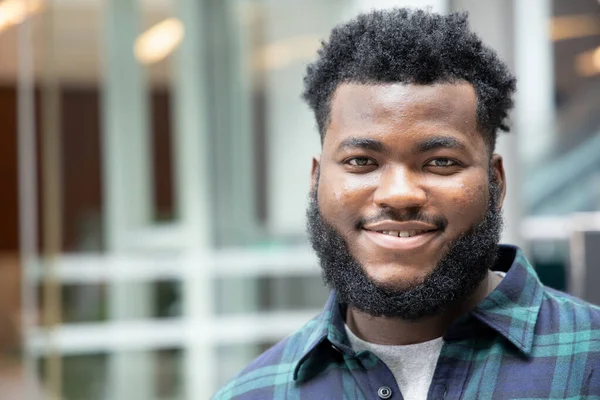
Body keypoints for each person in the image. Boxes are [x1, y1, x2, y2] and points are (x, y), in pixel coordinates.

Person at [213, 8, 600, 400]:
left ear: (495, 182)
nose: (399, 194)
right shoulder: (253, 393)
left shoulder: (591, 360)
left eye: (440, 163)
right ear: (316, 181)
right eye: (361, 162)